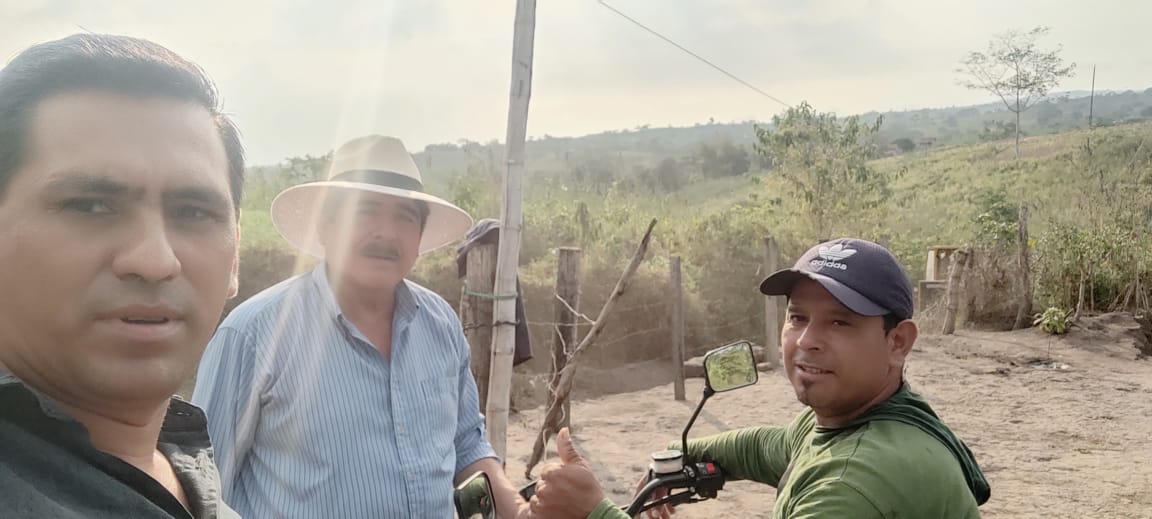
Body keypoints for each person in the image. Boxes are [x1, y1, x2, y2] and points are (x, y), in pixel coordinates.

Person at [525, 238, 991, 519]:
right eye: (798, 317)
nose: (807, 340)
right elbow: (769, 446)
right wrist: (677, 457)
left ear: (897, 342)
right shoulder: (858, 419)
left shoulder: (853, 484)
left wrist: (592, 512)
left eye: (840, 322)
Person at [192, 135, 529, 518]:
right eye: (365, 211)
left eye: (405, 216)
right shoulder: (253, 334)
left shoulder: (441, 325)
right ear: (325, 226)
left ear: (419, 235)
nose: (386, 233)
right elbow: (203, 487)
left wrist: (521, 513)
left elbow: (467, 446)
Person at [0, 33, 244, 518]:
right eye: (89, 206)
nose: (155, 261)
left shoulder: (189, 479)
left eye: (193, 212)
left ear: (235, 258)